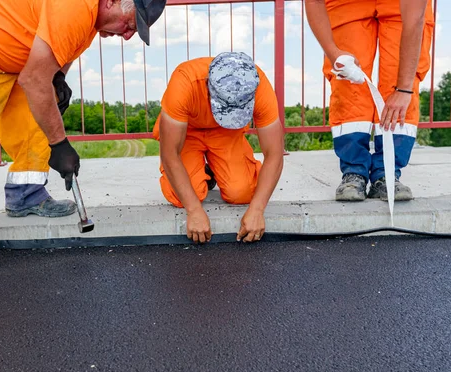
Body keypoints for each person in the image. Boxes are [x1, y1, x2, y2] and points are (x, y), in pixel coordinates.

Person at [0, 0, 166, 274]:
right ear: (111, 1)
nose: (129, 34)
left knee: (36, 111)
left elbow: (53, 60)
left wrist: (57, 79)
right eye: (130, 23)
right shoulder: (76, 8)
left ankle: (26, 195)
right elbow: (35, 79)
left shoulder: (89, 21)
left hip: (5, 49)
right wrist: (60, 145)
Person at [305, 0, 434, 201]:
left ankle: (387, 172)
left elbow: (414, 18)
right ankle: (354, 171)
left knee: (398, 79)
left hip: (401, 5)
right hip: (344, 3)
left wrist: (404, 89)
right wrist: (334, 53)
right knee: (347, 80)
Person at [153, 52, 285, 244]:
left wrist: (257, 210)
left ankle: (214, 170)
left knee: (243, 193)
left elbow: (274, 154)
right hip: (186, 131)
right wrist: (194, 210)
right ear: (209, 86)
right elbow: (170, 153)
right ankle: (203, 172)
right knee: (183, 197)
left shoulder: (258, 85)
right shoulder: (185, 81)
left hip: (225, 131)